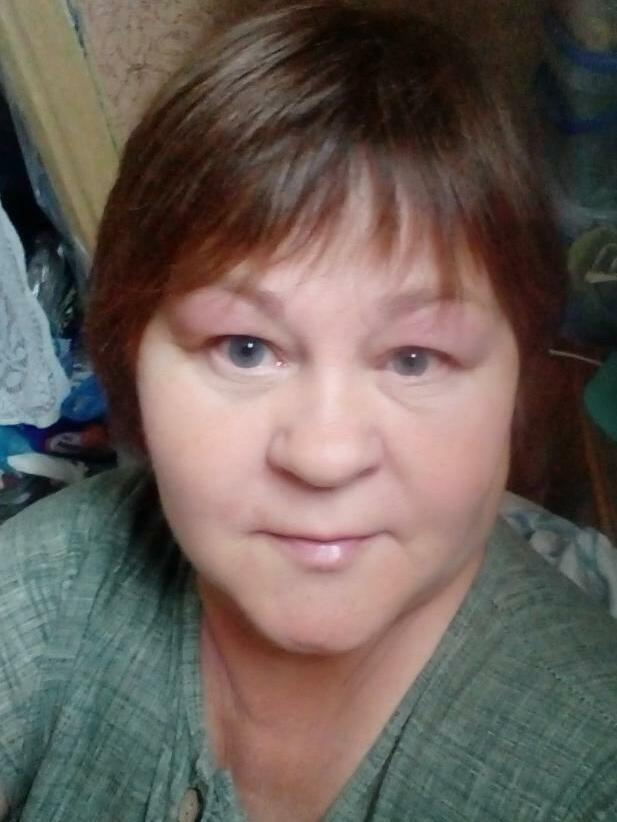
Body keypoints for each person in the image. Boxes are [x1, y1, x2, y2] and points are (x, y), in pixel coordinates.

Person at [1, 2, 616, 820]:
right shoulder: (48, 584)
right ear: (130, 357)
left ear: (517, 386)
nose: (324, 456)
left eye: (413, 358)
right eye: (244, 348)